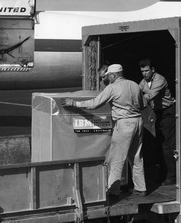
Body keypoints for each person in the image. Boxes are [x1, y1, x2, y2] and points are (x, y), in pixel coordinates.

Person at [62, 64, 146, 199]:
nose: (107, 79)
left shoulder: (112, 88)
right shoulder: (135, 85)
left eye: (108, 76)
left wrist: (74, 103)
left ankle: (113, 191)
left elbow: (94, 104)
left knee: (117, 158)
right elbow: (143, 105)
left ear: (113, 75)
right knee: (136, 156)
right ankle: (141, 188)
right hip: (138, 122)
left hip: (124, 124)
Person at [138, 58, 176, 185]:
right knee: (157, 144)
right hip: (157, 113)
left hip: (167, 112)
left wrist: (136, 101)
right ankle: (162, 174)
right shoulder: (144, 81)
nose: (144, 73)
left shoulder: (159, 79)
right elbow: (138, 91)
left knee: (167, 145)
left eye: (147, 71)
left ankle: (171, 176)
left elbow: (150, 95)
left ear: (153, 70)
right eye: (142, 71)